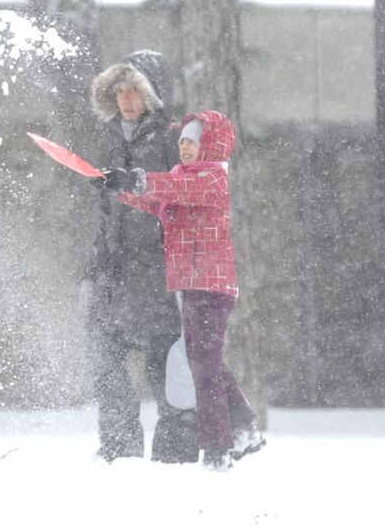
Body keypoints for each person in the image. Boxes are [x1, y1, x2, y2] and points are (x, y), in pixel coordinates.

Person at [99, 110, 265, 471]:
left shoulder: (211, 178)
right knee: (204, 363)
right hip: (189, 285)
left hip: (212, 285)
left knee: (203, 367)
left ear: (209, 144)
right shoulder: (180, 177)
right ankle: (244, 430)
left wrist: (138, 178)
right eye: (182, 142)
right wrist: (121, 188)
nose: (185, 148)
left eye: (192, 141)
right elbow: (159, 202)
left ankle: (219, 448)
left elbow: (173, 189)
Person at [81, 50, 198, 464]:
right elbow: (104, 216)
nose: (127, 99)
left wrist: (142, 186)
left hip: (161, 276)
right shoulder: (110, 138)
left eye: (136, 90)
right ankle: (118, 454)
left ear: (153, 94)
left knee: (165, 370)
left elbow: (188, 195)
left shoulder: (174, 138)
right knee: (106, 364)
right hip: (114, 274)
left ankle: (176, 460)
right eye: (120, 90)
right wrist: (92, 272)